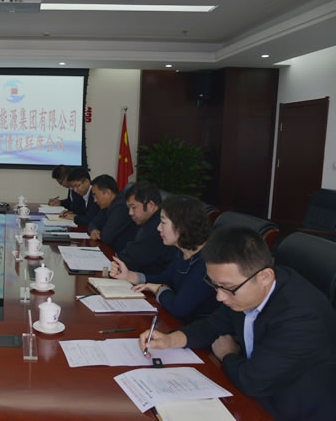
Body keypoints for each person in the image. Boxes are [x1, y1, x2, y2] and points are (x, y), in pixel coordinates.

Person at [138, 227, 336, 421]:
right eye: (215, 285)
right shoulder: (247, 288)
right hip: (253, 393)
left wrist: (227, 354)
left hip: (287, 408)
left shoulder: (301, 317)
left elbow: (252, 381)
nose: (220, 297)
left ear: (265, 277)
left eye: (227, 287)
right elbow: (213, 325)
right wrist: (170, 339)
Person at [110, 195, 218, 322]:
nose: (158, 228)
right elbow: (164, 279)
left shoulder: (206, 263)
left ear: (181, 226)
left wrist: (158, 289)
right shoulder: (183, 251)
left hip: (192, 327)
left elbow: (178, 308)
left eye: (163, 222)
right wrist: (129, 275)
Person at [117, 180, 176, 275]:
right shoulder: (149, 221)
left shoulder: (157, 228)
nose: (130, 213)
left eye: (133, 207)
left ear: (150, 205)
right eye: (129, 208)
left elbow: (128, 260)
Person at [87, 174, 137, 252]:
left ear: (108, 193)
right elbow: (93, 222)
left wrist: (99, 232)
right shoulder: (108, 205)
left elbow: (106, 237)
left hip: (123, 254)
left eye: (96, 196)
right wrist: (94, 230)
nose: (95, 200)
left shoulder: (121, 207)